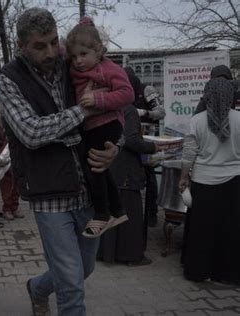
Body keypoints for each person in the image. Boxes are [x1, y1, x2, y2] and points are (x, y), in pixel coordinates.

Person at [0, 8, 118, 315]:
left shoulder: (72, 60)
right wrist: (82, 112)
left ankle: (37, 287)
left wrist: (116, 145)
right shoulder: (8, 80)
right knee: (72, 285)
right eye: (40, 46)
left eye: (53, 42)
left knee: (84, 268)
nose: (51, 52)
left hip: (89, 186)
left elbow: (116, 102)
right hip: (48, 195)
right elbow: (32, 133)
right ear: (22, 45)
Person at [65, 16, 133, 237]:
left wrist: (98, 100)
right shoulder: (76, 69)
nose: (78, 61)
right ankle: (117, 210)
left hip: (107, 124)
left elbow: (127, 94)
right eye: (74, 56)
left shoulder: (108, 69)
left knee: (93, 169)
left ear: (99, 51)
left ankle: (102, 214)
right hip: (91, 126)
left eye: (83, 55)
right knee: (99, 169)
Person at [179, 78, 240, 284]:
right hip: (234, 181)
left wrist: (183, 177)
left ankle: (198, 271)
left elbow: (189, 153)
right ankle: (227, 274)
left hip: (203, 181)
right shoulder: (239, 119)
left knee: (201, 229)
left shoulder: (197, 120)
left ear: (207, 95)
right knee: (230, 229)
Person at [97, 104, 164, 266]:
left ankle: (106, 253)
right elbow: (131, 140)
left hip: (109, 164)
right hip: (126, 169)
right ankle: (130, 255)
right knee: (130, 214)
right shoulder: (129, 109)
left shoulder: (106, 106)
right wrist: (153, 147)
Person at [124, 67, 166, 227]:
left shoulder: (147, 90)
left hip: (147, 139)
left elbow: (161, 112)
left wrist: (143, 113)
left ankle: (151, 214)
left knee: (150, 176)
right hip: (130, 141)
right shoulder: (121, 92)